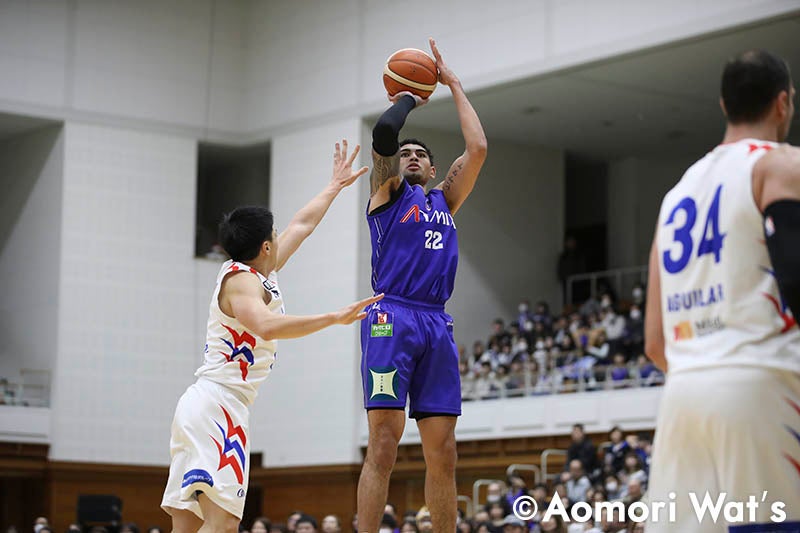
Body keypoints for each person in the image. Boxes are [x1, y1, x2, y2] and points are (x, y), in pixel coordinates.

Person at [160, 140, 383, 531]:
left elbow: (303, 225)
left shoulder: (259, 270)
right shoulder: (240, 282)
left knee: (188, 527)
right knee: (223, 524)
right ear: (265, 246)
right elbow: (265, 325)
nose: (282, 236)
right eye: (275, 234)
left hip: (209, 406)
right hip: (218, 407)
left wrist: (334, 186)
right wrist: (333, 317)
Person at [644, 49, 800, 531]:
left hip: (683, 395)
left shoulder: (675, 195)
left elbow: (654, 342)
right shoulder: (778, 164)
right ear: (783, 103)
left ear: (724, 105)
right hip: (762, 382)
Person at [357, 38, 487, 533]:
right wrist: (410, 95)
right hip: (391, 316)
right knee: (383, 445)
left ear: (434, 170)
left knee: (445, 453)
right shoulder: (387, 194)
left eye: (420, 154)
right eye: (405, 153)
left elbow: (478, 149)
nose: (410, 156)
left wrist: (453, 84)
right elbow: (384, 132)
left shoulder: (445, 201)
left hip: (436, 321)